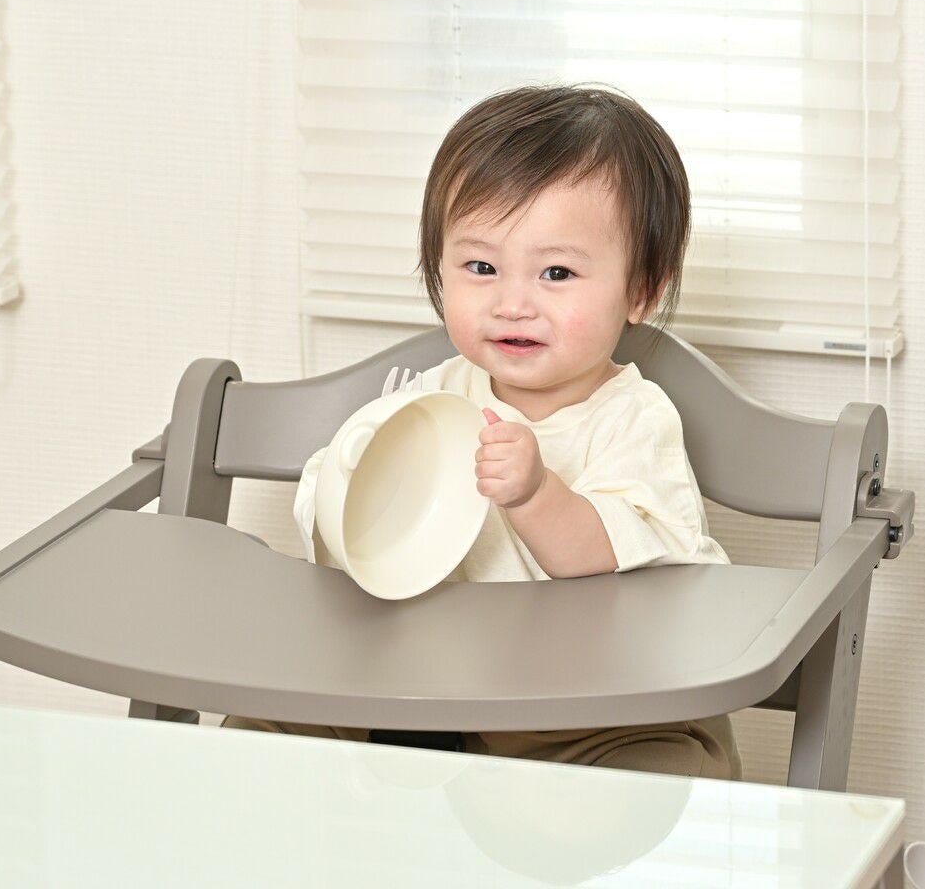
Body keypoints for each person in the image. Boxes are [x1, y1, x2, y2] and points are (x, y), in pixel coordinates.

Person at [222, 83, 742, 781]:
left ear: (641, 290)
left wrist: (536, 495)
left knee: (666, 777)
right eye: (481, 268)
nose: (512, 302)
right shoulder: (433, 396)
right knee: (255, 732)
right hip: (434, 698)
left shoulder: (633, 419)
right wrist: (346, 481)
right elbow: (357, 538)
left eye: (556, 272)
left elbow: (615, 558)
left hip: (594, 717)